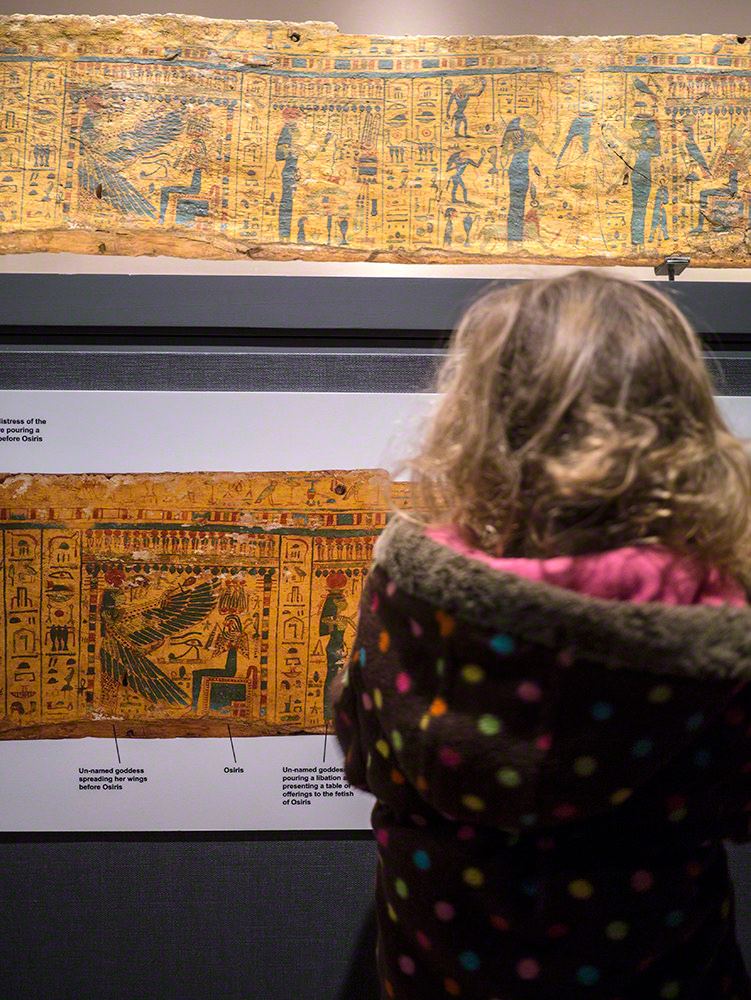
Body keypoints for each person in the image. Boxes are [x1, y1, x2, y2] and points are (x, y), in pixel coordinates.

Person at [334, 270, 751, 1000]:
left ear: (479, 415)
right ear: (678, 418)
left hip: (439, 971)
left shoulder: (411, 587)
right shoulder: (712, 614)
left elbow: (361, 747)